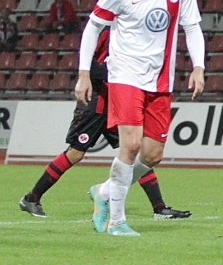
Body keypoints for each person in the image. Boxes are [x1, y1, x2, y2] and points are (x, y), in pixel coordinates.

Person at [77, 0, 205, 237]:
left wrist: (198, 67)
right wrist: (83, 73)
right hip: (124, 73)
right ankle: (117, 221)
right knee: (131, 145)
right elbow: (93, 27)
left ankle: (104, 191)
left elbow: (192, 28)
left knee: (152, 155)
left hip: (160, 79)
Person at [19, 28, 191, 220]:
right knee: (75, 153)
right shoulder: (106, 29)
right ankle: (31, 198)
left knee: (134, 152)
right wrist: (116, 76)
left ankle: (159, 208)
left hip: (116, 102)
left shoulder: (129, 31)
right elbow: (88, 63)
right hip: (96, 102)